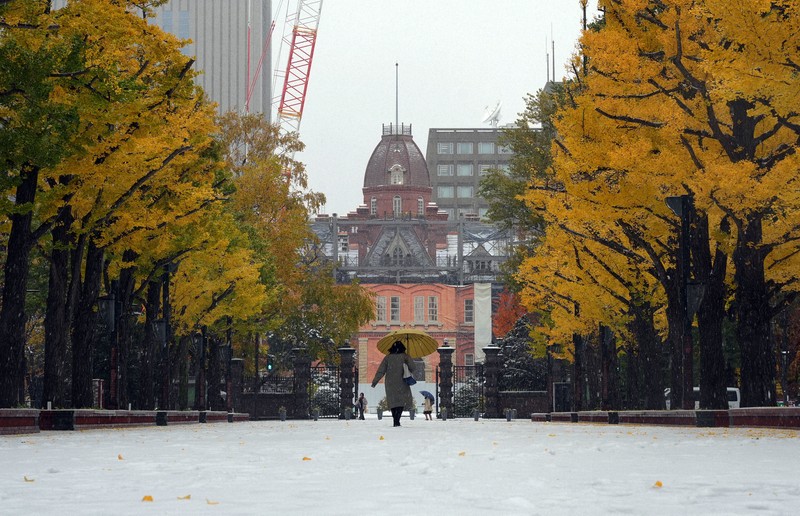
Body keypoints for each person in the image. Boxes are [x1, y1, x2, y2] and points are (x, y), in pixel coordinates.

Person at [371, 340, 414, 427]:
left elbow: (381, 371)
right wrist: (408, 359)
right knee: (401, 402)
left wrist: (375, 381)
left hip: (390, 383)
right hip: (402, 382)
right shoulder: (405, 357)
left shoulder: (387, 358)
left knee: (393, 401)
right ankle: (397, 420)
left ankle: (395, 419)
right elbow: (413, 368)